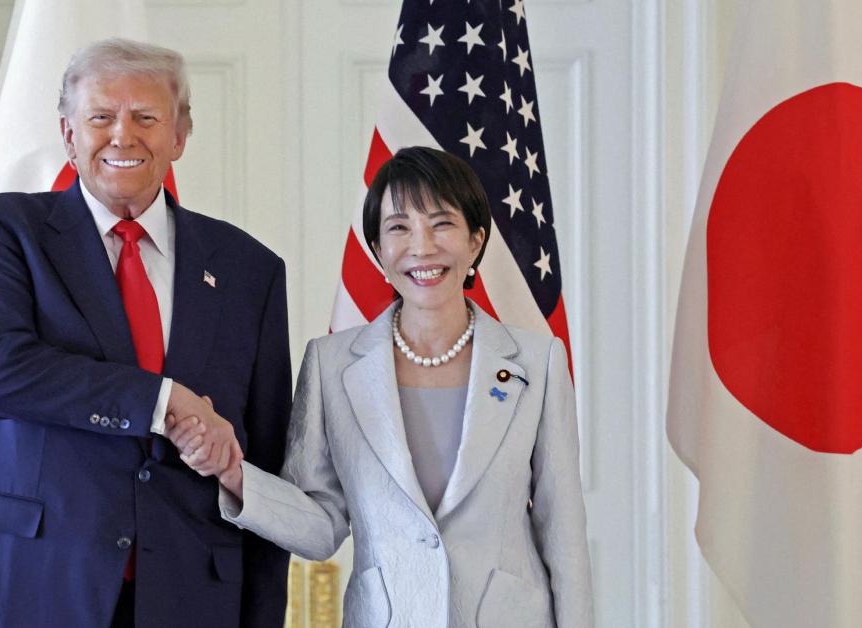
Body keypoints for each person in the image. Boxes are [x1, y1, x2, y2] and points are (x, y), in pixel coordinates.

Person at [0, 38, 292, 628]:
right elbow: (0, 371)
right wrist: (165, 402)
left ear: (180, 136)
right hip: (24, 587)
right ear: (68, 134)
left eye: (146, 117)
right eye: (101, 117)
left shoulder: (251, 269)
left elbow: (267, 462)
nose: (123, 135)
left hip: (190, 598)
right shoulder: (4, 231)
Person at [168, 147, 593, 627]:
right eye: (399, 228)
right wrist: (233, 473)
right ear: (378, 251)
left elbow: (563, 531)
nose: (422, 247)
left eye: (442, 224)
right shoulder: (330, 365)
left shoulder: (537, 362)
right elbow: (321, 524)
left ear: (476, 242)